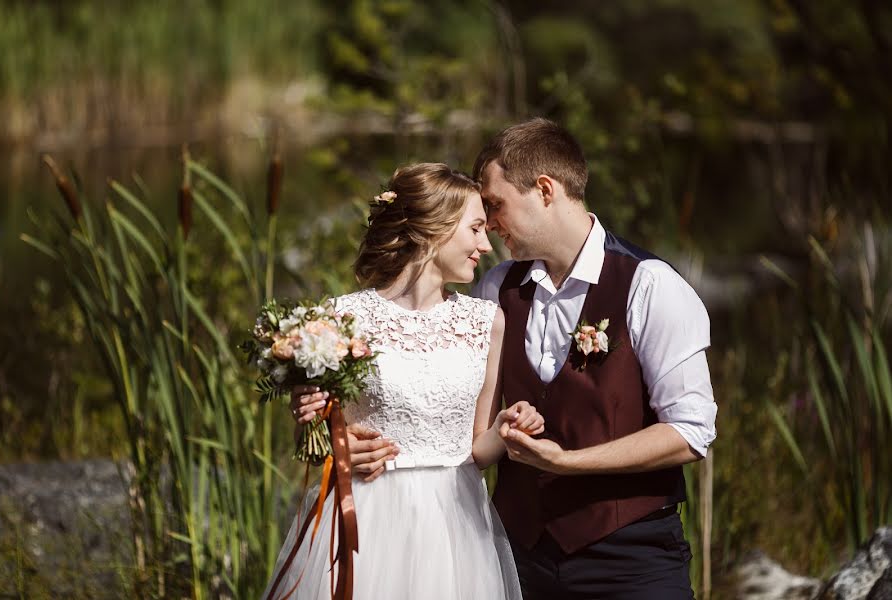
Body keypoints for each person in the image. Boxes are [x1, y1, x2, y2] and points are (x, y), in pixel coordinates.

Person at [294, 119, 718, 598]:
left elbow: (691, 430)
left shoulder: (650, 285)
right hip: (518, 559)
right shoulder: (494, 290)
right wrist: (332, 426)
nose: (490, 227)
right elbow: (438, 403)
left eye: (494, 206)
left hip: (629, 561)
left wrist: (570, 462)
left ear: (544, 190)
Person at [263, 163, 541, 599]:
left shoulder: (486, 321)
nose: (485, 246)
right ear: (435, 229)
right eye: (475, 229)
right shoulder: (343, 319)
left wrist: (508, 429)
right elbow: (313, 438)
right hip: (368, 520)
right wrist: (326, 435)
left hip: (455, 528)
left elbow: (476, 449)